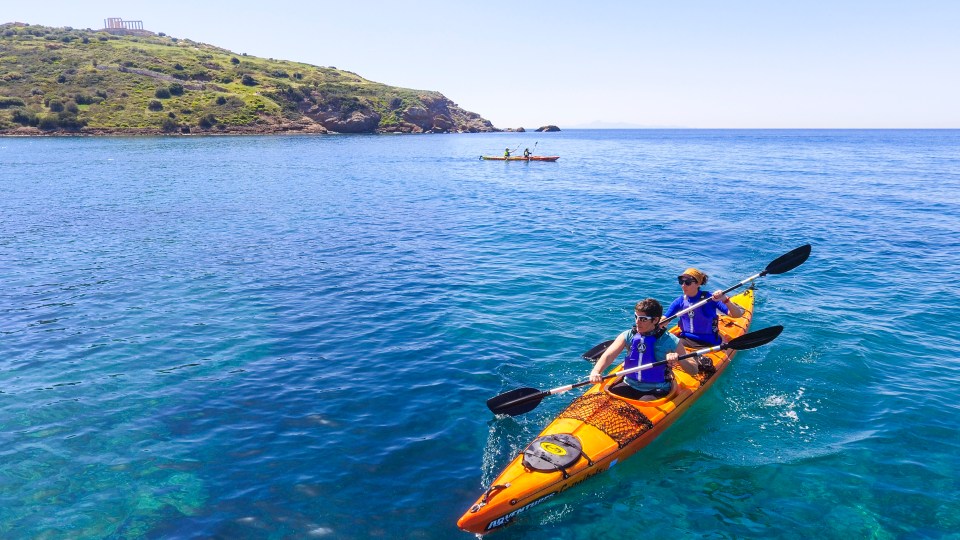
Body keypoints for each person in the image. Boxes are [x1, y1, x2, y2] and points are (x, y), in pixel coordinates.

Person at [589, 298, 695, 399]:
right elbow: (608, 356)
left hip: (656, 388)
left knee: (645, 399)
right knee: (608, 399)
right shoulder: (628, 336)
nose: (637, 322)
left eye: (643, 319)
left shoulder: (670, 341)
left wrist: (679, 358)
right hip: (629, 383)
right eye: (636, 317)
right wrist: (596, 371)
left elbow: (694, 370)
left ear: (655, 320)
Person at [663, 267, 746, 348]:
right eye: (681, 282)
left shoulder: (711, 298)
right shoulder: (680, 301)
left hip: (708, 342)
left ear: (698, 284)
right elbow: (665, 319)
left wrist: (725, 299)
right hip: (685, 340)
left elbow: (736, 315)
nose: (683, 285)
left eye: (687, 282)